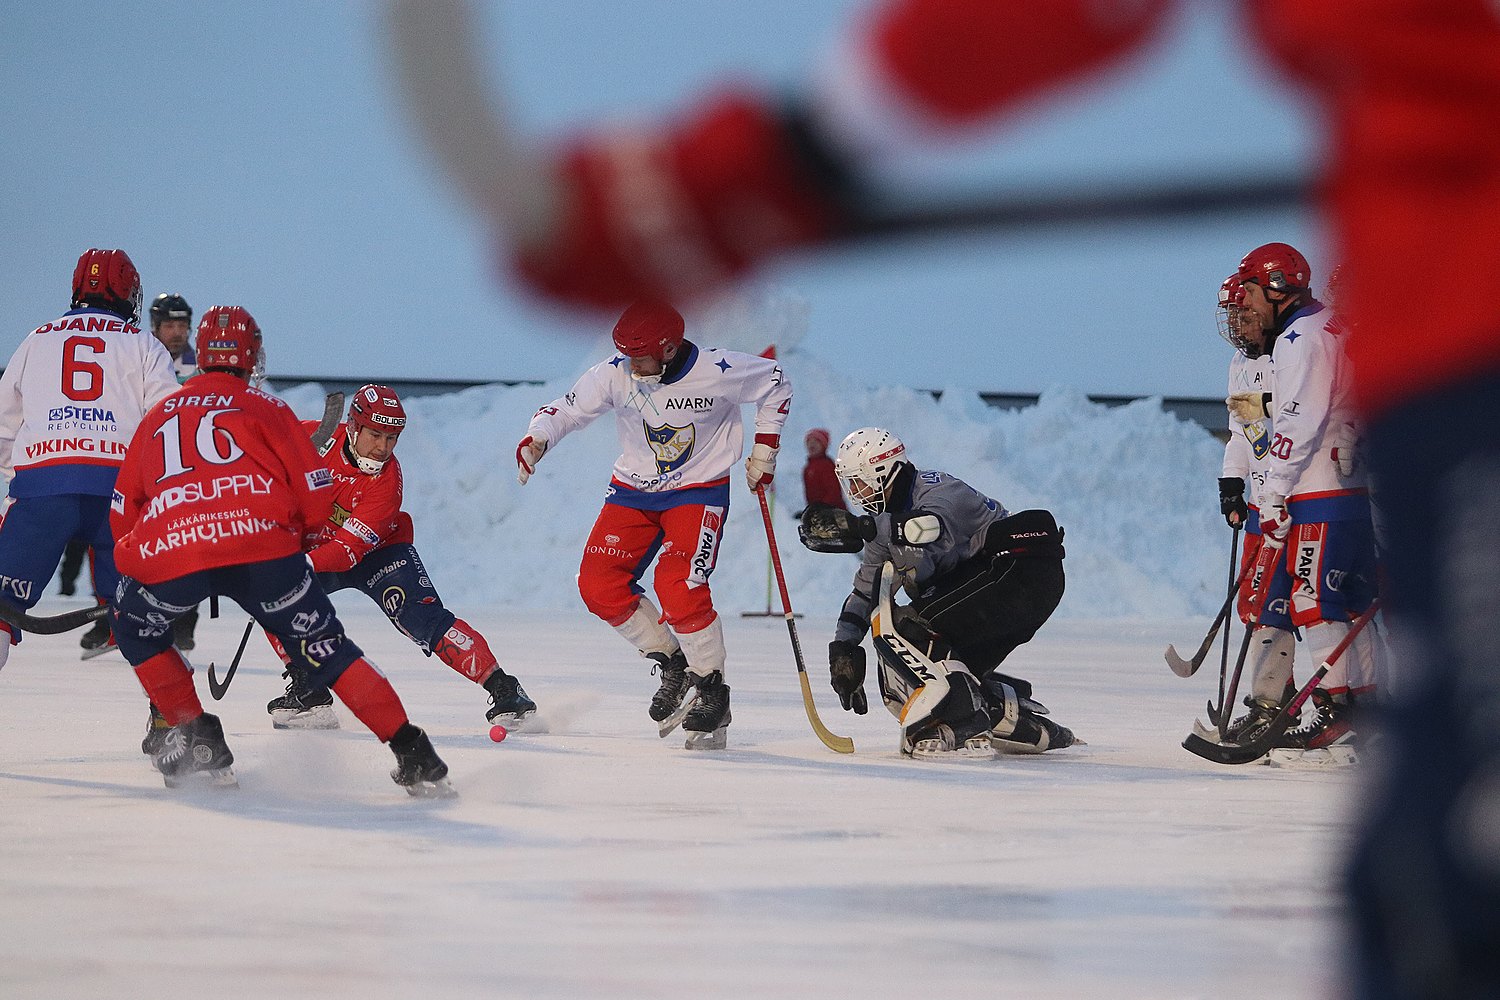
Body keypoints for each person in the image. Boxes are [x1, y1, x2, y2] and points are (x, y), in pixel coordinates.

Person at [110, 305, 453, 795]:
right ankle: (413, 752)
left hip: (176, 549)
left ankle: (197, 738)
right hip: (263, 553)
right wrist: (284, 542)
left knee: (134, 628)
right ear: (253, 356)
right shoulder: (269, 409)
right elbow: (315, 502)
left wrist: (133, 569)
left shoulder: (160, 413)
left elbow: (124, 512)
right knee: (331, 653)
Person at [514, 299, 791, 749]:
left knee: (677, 582)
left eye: (638, 356)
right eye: (624, 354)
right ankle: (674, 663)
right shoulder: (615, 373)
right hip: (633, 493)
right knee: (597, 585)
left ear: (668, 349)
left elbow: (776, 382)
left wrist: (765, 451)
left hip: (698, 491)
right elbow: (566, 410)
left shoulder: (719, 370)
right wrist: (538, 438)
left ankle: (712, 689)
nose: (629, 364)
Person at [261, 383, 537, 731]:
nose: (383, 448)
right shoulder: (314, 437)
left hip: (379, 552)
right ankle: (309, 689)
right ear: (354, 426)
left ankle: (505, 689)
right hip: (318, 545)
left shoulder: (386, 484)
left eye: (392, 438)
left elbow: (348, 551)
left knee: (421, 620)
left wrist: (296, 563)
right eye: (376, 435)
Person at [799, 426, 1078, 759]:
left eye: (859, 482)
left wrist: (863, 528)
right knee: (927, 656)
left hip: (1020, 569)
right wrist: (843, 649)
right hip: (1003, 585)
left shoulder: (937, 489)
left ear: (882, 472)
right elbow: (864, 594)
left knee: (912, 629)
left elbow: (929, 528)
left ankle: (963, 720)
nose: (856, 494)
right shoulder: (881, 528)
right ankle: (1007, 714)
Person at [1233, 243, 1379, 760]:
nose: (1244, 305)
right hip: (1352, 489)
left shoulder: (1300, 336)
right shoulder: (1333, 327)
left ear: (1277, 288)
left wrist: (1272, 490)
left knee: (1312, 602)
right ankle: (1365, 710)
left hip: (1319, 491)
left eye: (1250, 291)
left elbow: (1298, 419)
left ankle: (1336, 714)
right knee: (1352, 603)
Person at [0, 249, 178, 674]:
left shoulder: (37, 338)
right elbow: (168, 421)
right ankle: (175, 721)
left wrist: (18, 481)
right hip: (118, 497)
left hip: (41, 490)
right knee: (143, 620)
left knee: (1, 612)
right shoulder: (142, 343)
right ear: (126, 293)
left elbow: (4, 426)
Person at [1214, 273, 1299, 743]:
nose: (1238, 325)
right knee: (1261, 604)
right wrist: (1232, 483)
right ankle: (1271, 704)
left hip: (1296, 502)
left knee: (1313, 604)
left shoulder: (1295, 352)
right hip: (1260, 508)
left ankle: (1343, 703)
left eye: (1244, 313)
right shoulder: (1237, 365)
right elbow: (1240, 429)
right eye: (1232, 316)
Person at [796, 428, 845, 518]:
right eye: (809, 441)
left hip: (833, 513)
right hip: (819, 513)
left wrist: (821, 508)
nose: (812, 444)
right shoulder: (807, 468)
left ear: (824, 445)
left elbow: (834, 492)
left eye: (817, 441)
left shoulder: (827, 465)